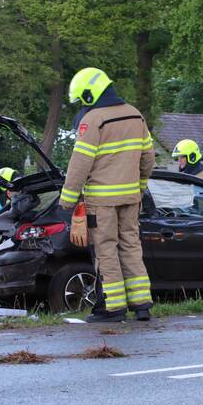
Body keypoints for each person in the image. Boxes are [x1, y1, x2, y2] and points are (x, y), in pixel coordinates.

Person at [59, 67, 155, 322]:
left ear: (89, 95)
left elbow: (80, 163)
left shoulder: (93, 120)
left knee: (106, 250)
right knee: (132, 247)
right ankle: (142, 304)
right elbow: (148, 158)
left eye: (82, 99)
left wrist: (67, 199)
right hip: (131, 198)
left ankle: (113, 308)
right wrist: (140, 186)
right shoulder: (136, 116)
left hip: (101, 201)